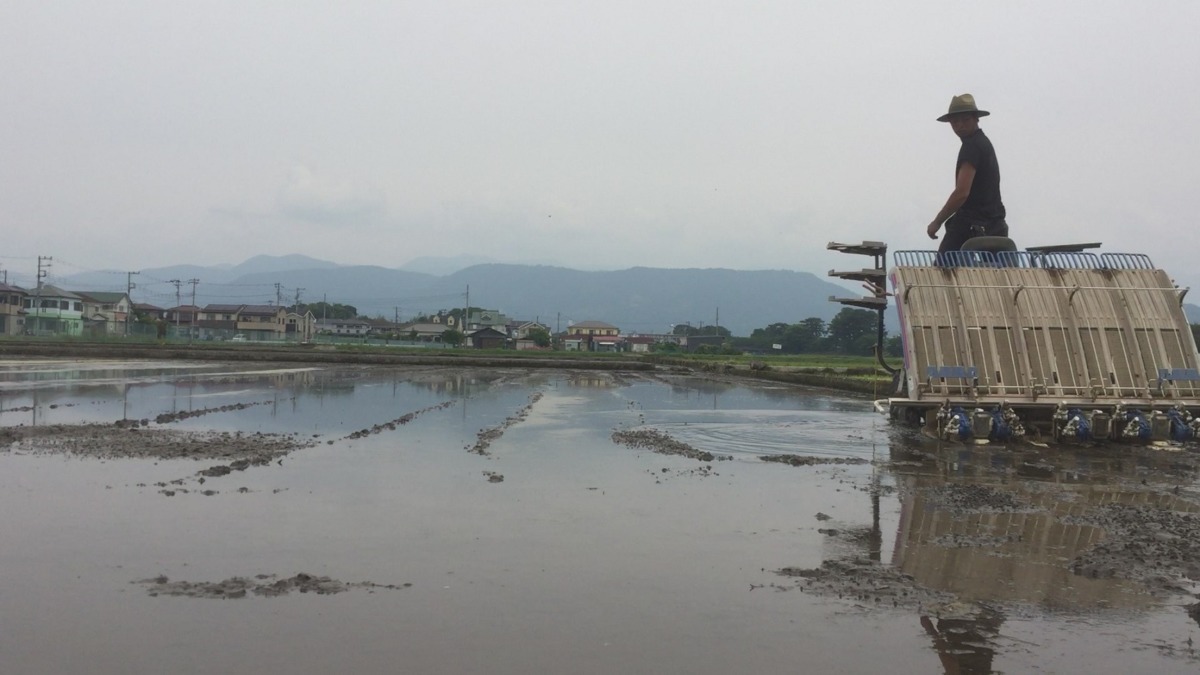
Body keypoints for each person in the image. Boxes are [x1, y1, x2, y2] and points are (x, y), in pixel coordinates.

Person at [925, 94, 1007, 255]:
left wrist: (937, 222)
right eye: (955, 122)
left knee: (943, 273)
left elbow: (961, 192)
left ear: (976, 119)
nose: (960, 125)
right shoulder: (984, 143)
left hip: (970, 226)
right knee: (997, 277)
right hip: (996, 225)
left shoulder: (971, 147)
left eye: (965, 120)